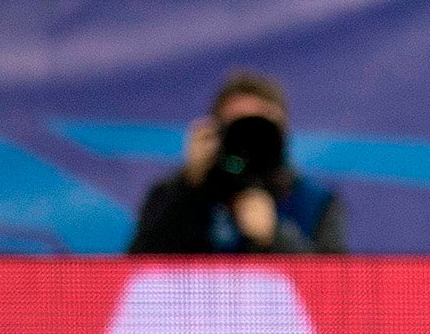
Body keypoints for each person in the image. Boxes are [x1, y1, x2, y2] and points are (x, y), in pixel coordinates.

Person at [129, 70, 348, 254]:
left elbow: (335, 292)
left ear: (282, 132)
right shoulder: (173, 194)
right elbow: (134, 275)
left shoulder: (315, 202)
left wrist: (275, 237)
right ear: (216, 132)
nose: (249, 140)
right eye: (238, 127)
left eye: (259, 128)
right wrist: (189, 186)